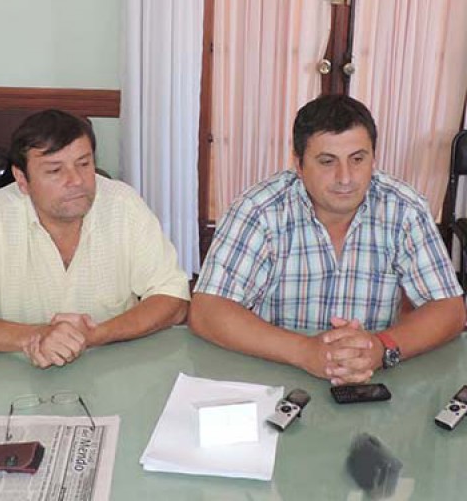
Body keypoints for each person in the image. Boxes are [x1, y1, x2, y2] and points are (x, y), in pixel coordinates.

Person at [190, 94, 464, 385]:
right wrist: (305, 351)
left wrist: (381, 347)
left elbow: (449, 310)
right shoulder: (259, 210)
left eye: (358, 159)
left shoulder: (404, 208)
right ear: (298, 164)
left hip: (369, 377)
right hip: (277, 371)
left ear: (374, 158)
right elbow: (207, 310)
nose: (345, 178)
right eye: (327, 161)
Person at [0, 109, 189, 368]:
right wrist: (35, 337)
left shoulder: (123, 204)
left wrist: (97, 335)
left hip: (115, 365)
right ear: (21, 178)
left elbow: (173, 298)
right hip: (18, 372)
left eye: (84, 164)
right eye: (54, 170)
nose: (76, 180)